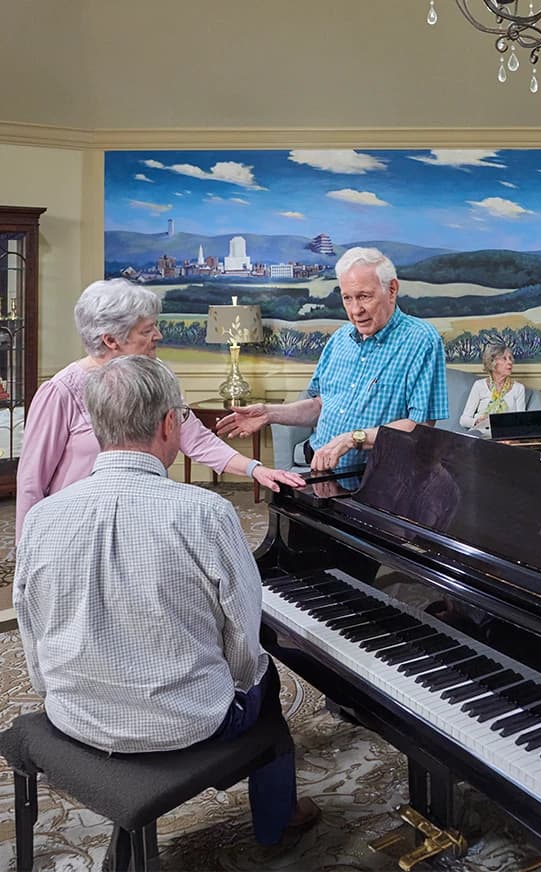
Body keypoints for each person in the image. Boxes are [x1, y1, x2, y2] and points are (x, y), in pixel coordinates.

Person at [13, 354, 320, 847]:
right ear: (166, 424)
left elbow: (31, 628)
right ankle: (277, 824)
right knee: (268, 682)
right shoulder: (206, 513)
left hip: (71, 715)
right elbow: (243, 639)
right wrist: (236, 688)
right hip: (187, 724)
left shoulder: (43, 517)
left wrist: (61, 697)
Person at [15, 278, 304, 542]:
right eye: (147, 329)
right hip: (76, 531)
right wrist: (28, 551)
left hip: (142, 524)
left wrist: (256, 469)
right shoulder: (60, 392)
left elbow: (196, 439)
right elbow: (31, 483)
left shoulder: (160, 376)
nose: (159, 335)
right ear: (111, 340)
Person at [217, 247, 448, 471]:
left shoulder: (421, 340)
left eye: (364, 296)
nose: (355, 310)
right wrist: (269, 413)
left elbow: (420, 427)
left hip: (378, 480)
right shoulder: (340, 339)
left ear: (392, 289)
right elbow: (320, 404)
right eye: (347, 298)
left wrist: (353, 439)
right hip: (322, 472)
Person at [459, 343, 525, 437]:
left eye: (510, 358)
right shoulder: (479, 385)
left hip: (505, 435)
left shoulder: (518, 388)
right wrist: (477, 421)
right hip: (480, 433)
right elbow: (463, 420)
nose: (510, 362)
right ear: (492, 362)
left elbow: (521, 421)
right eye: (504, 358)